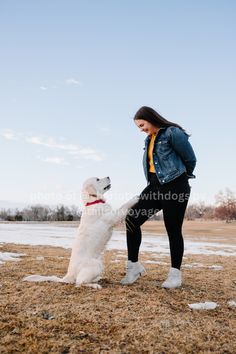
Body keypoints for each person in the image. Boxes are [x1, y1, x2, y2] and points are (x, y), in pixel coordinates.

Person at [121, 106, 197, 288]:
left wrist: (181, 178)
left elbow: (190, 159)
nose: (141, 129)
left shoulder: (172, 133)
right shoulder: (149, 140)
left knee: (172, 229)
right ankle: (134, 267)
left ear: (150, 118)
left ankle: (175, 275)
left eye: (142, 125)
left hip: (175, 186)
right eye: (138, 127)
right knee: (132, 218)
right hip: (154, 186)